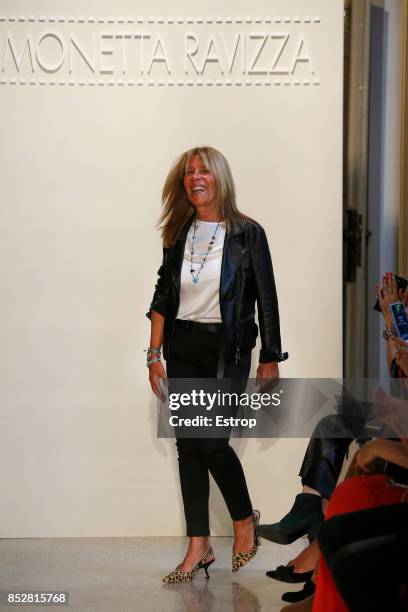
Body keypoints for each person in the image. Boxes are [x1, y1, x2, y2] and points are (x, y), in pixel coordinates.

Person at [146, 146, 287, 583]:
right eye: (189, 172)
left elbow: (267, 297)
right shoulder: (178, 231)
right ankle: (198, 546)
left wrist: (270, 357)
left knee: (210, 441)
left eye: (204, 170)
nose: (195, 177)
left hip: (228, 351)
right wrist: (154, 354)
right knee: (188, 445)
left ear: (220, 177)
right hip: (182, 345)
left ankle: (244, 522)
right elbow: (163, 296)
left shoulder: (248, 233)